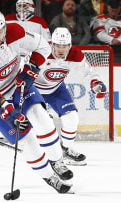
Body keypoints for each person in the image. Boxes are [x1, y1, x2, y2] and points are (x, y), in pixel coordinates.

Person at [0, 8, 73, 193]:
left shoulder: (15, 31)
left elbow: (43, 46)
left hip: (18, 84)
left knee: (42, 118)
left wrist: (31, 68)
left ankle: (57, 161)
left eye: (0, 31)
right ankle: (49, 177)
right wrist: (6, 108)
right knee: (27, 140)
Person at [34, 27, 106, 166]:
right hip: (35, 89)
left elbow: (90, 72)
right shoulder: (42, 51)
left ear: (70, 45)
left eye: (65, 46)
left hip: (56, 88)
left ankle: (66, 149)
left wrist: (96, 83)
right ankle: (37, 148)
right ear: (52, 44)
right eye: (58, 46)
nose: (61, 50)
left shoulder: (75, 54)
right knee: (43, 122)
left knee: (72, 118)